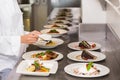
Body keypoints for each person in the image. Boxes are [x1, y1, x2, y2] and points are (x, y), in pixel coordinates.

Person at [0, 0, 40, 79]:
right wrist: (20, 39)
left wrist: (28, 35)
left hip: (18, 59)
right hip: (4, 65)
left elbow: (12, 31)